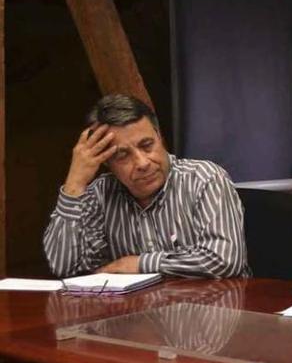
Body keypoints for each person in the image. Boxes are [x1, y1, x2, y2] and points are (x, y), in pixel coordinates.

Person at [43, 94, 250, 278]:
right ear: (105, 162)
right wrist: (74, 184)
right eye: (122, 155)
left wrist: (139, 263)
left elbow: (224, 260)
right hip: (136, 316)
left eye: (147, 145)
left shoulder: (204, 179)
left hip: (216, 314)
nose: (142, 163)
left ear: (159, 137)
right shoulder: (100, 194)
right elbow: (63, 267)